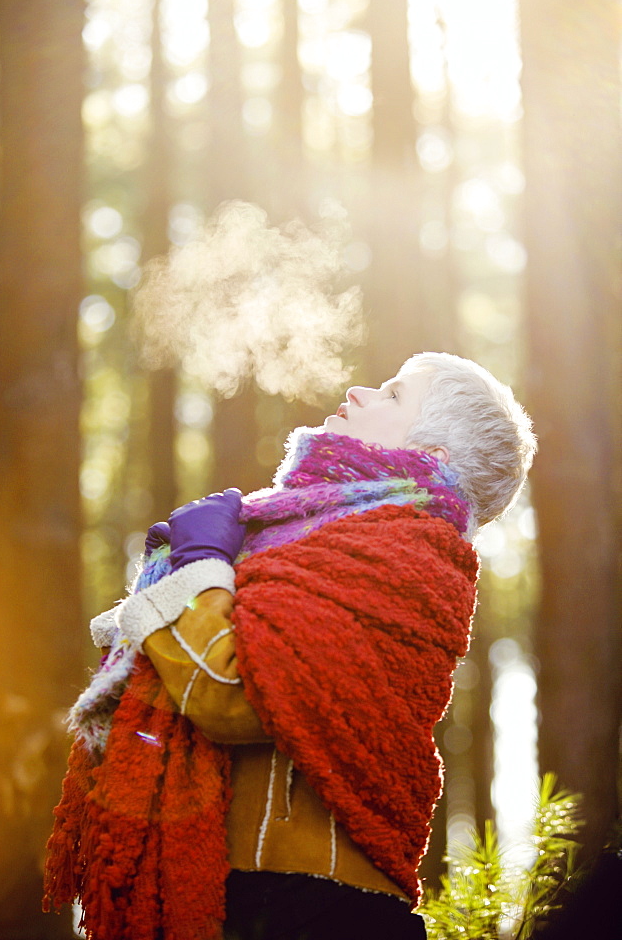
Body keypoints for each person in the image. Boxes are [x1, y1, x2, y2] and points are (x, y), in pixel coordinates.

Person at [44, 351, 536, 940]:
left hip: (304, 907)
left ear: (431, 458)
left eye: (394, 395)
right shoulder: (310, 533)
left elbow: (233, 695)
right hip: (247, 895)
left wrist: (198, 566)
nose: (359, 391)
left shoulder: (413, 551)